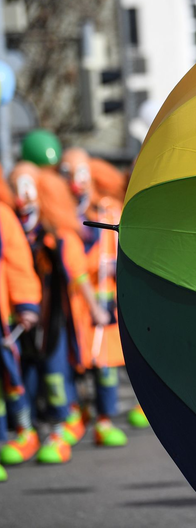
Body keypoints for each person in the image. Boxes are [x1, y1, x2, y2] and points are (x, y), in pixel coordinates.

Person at [8, 162, 109, 464]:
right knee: (25, 375)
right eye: (16, 188)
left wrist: (94, 309)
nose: (22, 198)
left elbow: (77, 274)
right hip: (25, 317)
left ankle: (64, 423)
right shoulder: (16, 229)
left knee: (55, 372)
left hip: (58, 318)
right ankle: (28, 430)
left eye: (28, 189)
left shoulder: (60, 235)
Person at [59, 148, 129, 446]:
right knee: (74, 362)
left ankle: (104, 419)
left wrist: (118, 262)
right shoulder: (62, 217)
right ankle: (77, 414)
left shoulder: (108, 210)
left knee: (106, 362)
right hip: (73, 306)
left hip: (105, 301)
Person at [0, 166, 41, 480]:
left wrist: (26, 304)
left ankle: (24, 431)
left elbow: (17, 263)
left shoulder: (3, 216)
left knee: (11, 379)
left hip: (2, 319)